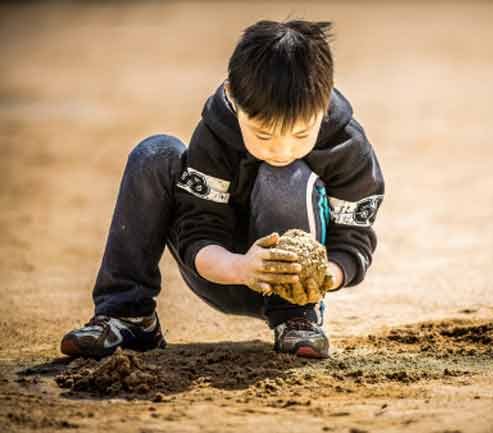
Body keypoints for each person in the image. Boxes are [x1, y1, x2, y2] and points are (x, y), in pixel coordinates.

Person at [60, 19, 385, 359]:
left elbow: (353, 241)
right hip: (219, 268)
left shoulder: (347, 145)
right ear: (233, 97)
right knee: (155, 154)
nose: (282, 149)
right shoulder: (216, 132)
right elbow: (197, 229)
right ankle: (128, 315)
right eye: (263, 134)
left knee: (285, 174)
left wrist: (320, 276)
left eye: (301, 135)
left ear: (324, 103)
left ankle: (297, 320)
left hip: (294, 292)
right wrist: (240, 267)